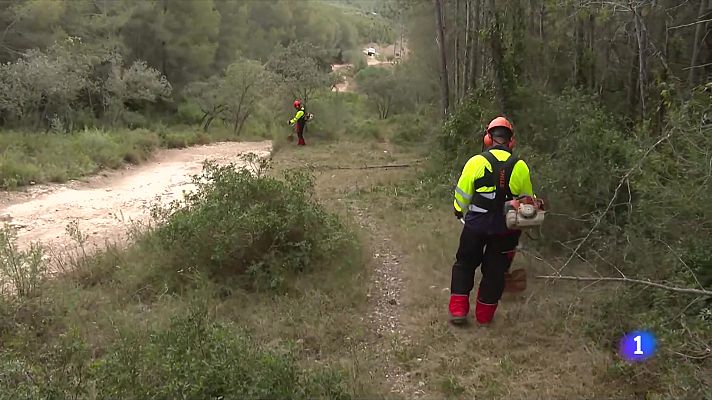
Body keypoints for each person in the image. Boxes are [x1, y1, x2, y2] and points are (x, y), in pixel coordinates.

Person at [449, 116, 536, 325]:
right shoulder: (520, 166)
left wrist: (459, 211)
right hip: (506, 229)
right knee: (495, 272)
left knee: (464, 265)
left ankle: (459, 311)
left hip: (475, 226)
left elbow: (461, 195)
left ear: (488, 138)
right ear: (511, 141)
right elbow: (528, 201)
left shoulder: (475, 162)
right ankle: (484, 316)